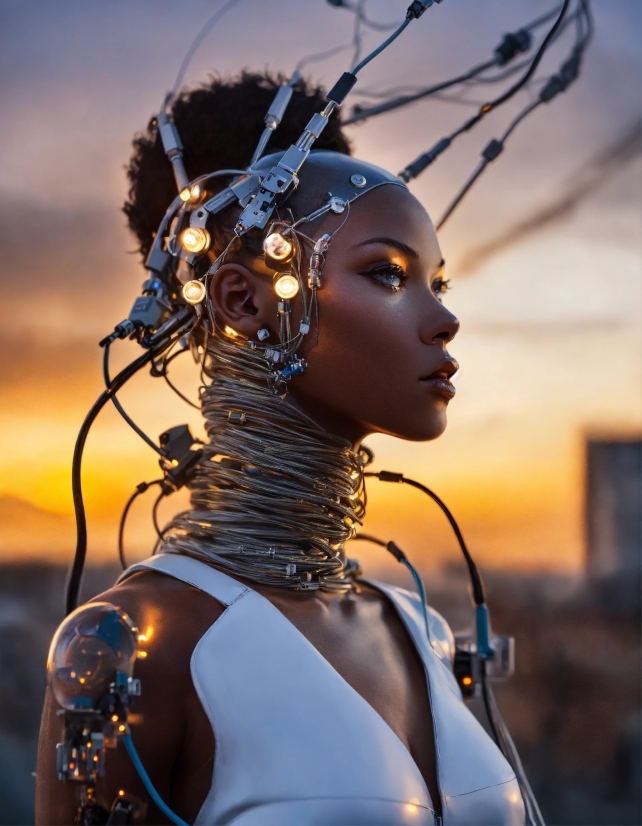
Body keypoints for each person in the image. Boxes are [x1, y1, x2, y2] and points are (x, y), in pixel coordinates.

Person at [36, 72, 525, 825]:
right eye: (389, 274)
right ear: (241, 301)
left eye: (439, 280)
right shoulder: (129, 645)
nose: (445, 318)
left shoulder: (416, 626)